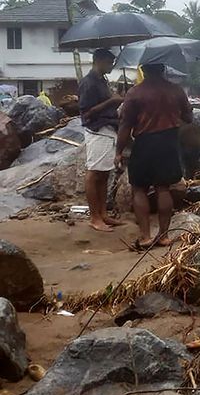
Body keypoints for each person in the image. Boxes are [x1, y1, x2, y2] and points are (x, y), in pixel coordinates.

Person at [115, 63, 192, 248]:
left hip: (144, 143)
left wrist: (118, 151)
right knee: (163, 188)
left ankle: (145, 236)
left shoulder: (135, 93)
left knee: (139, 189)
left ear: (144, 70)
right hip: (169, 143)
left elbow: (126, 125)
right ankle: (163, 236)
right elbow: (189, 118)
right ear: (164, 69)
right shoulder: (176, 91)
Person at [78, 49, 125, 233]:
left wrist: (114, 100)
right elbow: (86, 113)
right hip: (97, 130)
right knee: (94, 173)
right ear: (98, 60)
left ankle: (103, 213)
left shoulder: (102, 81)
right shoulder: (88, 82)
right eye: (108, 61)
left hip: (108, 129)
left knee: (104, 174)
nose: (111, 65)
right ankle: (94, 217)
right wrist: (111, 102)